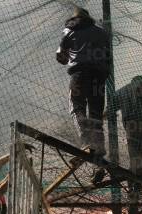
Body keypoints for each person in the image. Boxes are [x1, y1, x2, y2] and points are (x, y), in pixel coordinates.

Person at [56, 7, 110, 159]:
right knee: (96, 112)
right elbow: (107, 56)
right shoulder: (102, 32)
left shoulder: (69, 30)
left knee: (77, 106)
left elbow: (60, 56)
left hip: (79, 74)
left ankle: (86, 142)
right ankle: (99, 147)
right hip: (99, 76)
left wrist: (69, 56)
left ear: (74, 18)